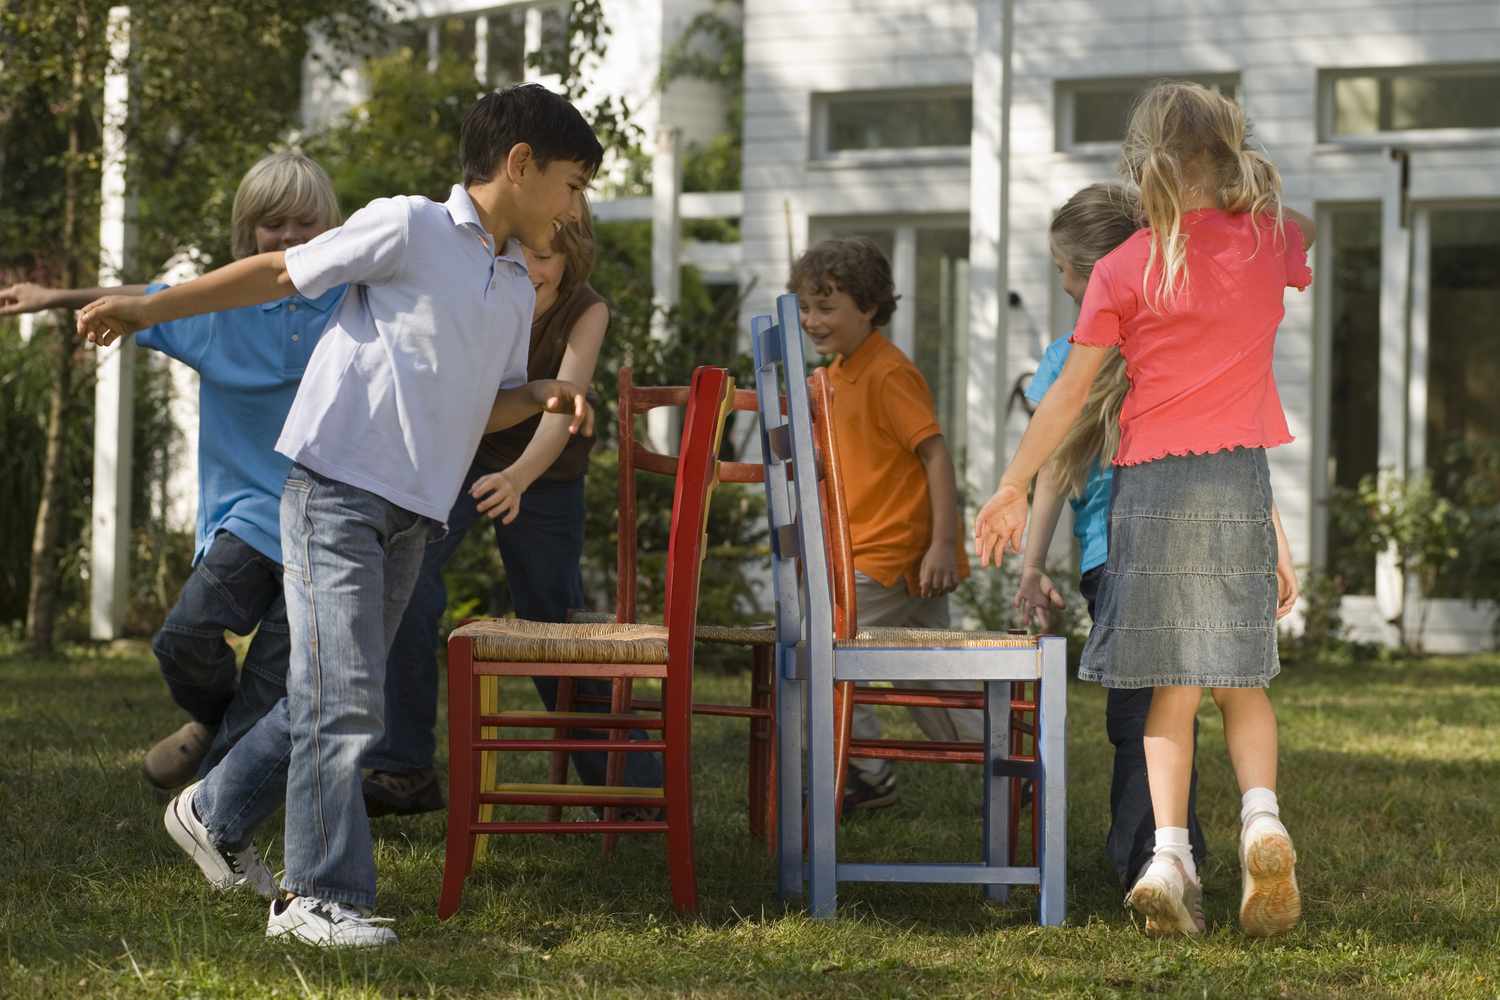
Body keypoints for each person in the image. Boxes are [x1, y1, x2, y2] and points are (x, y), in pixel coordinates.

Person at [76, 83, 601, 949]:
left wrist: (543, 392)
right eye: (573, 184)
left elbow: (489, 405)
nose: (577, 207)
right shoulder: (410, 226)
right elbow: (281, 270)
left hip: (414, 516)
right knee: (346, 696)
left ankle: (211, 809)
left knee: (322, 692)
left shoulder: (512, 283)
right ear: (520, 166)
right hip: (335, 490)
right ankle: (316, 898)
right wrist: (148, 304)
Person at [975, 81, 1313, 938]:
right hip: (1237, 482)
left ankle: (1167, 855)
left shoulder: (1125, 268)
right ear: (1226, 152)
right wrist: (1276, 536)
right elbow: (1287, 253)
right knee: (1241, 677)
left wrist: (1013, 485)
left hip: (1150, 491)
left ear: (1145, 165)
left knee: (1170, 688)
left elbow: (1067, 401)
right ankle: (1262, 820)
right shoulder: (1272, 241)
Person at [0, 152, 344, 796]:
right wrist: (56, 297)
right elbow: (146, 300)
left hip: (326, 528)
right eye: (273, 224)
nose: (290, 236)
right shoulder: (216, 315)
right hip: (245, 521)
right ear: (249, 234)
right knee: (182, 640)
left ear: (332, 226)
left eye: (304, 221)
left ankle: (218, 812)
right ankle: (216, 729)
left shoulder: (357, 307)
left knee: (273, 689)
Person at [365, 196, 662, 818]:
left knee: (552, 622)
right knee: (408, 582)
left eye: (546, 256)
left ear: (572, 257)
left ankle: (630, 783)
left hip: (544, 474)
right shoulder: (486, 286)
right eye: (519, 251)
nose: (530, 266)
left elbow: (564, 408)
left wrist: (519, 478)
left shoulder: (586, 311)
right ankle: (403, 766)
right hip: (465, 457)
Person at [1014, 182, 1207, 900]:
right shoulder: (1178, 340)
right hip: (1191, 547)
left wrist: (1032, 566)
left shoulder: (1070, 355)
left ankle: (1147, 862)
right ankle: (1178, 850)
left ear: (1088, 276)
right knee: (1168, 705)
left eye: (1062, 268)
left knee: (1139, 712)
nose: (1060, 280)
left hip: (1119, 559)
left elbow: (1050, 474)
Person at [788, 236, 975, 816]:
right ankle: (1001, 765)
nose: (812, 320)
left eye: (827, 306)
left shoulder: (889, 373)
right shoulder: (839, 374)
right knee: (926, 675)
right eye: (805, 307)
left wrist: (944, 543)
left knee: (821, 645)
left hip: (890, 553)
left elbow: (936, 456)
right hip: (872, 550)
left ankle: (864, 771)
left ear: (868, 307)